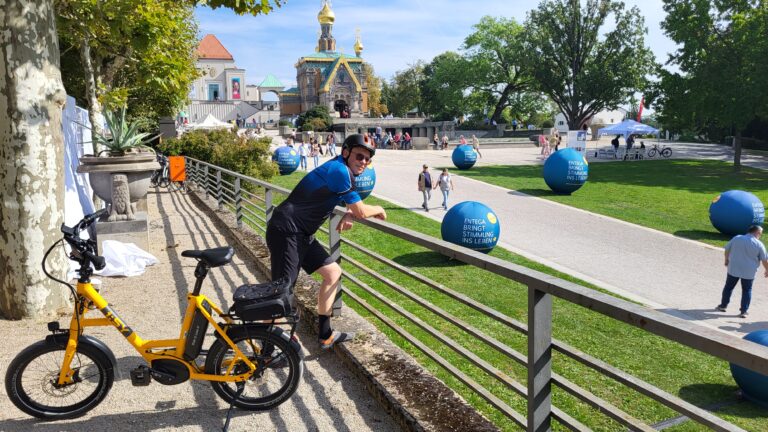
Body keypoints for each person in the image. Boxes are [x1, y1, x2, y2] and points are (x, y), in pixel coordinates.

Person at [266, 134, 386, 348]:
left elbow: (342, 201)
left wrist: (349, 214)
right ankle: (265, 349)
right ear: (346, 152)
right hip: (287, 231)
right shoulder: (340, 170)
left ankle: (325, 334)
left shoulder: (342, 170)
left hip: (301, 232)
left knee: (332, 273)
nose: (364, 163)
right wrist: (378, 209)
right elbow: (360, 209)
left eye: (368, 160)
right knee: (281, 292)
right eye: (359, 156)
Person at [716, 225, 768, 318]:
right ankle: (743, 311)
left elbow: (727, 249)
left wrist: (726, 259)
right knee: (747, 290)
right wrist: (767, 270)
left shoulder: (737, 238)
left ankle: (723, 306)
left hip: (734, 268)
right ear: (757, 233)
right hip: (749, 271)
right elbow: (764, 259)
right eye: (761, 233)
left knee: (728, 287)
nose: (761, 234)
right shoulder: (759, 244)